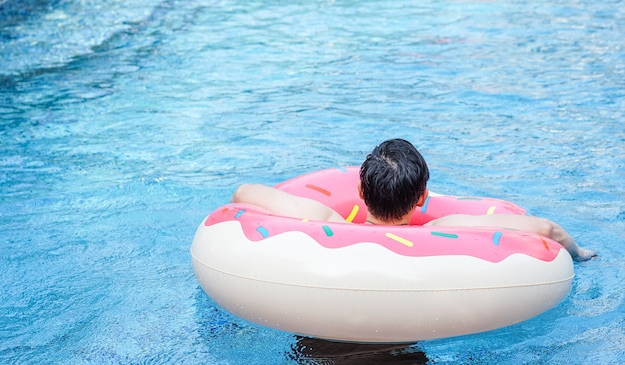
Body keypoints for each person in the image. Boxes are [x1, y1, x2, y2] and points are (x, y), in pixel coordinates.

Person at [232, 139, 596, 261]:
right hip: (397, 339)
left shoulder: (327, 220)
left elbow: (244, 193)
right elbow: (547, 229)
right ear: (423, 197)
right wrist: (581, 256)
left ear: (360, 193)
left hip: (318, 334)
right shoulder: (443, 229)